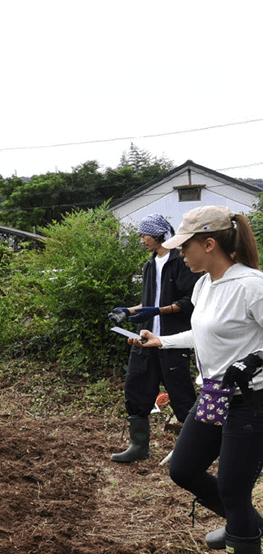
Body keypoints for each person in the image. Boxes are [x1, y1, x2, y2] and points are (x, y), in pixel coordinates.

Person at [130, 205, 263, 553]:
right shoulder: (205, 285)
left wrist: (254, 362)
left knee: (234, 487)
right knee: (183, 468)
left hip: (250, 402)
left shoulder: (252, 286)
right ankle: (243, 522)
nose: (179, 252)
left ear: (208, 245)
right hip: (214, 395)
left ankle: (242, 533)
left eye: (184, 245)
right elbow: (201, 332)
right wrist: (163, 341)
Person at [109, 213, 198, 463]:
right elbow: (150, 303)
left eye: (144, 235)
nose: (141, 240)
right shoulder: (150, 264)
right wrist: (128, 311)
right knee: (135, 388)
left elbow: (189, 302)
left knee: (180, 394)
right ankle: (138, 447)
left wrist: (157, 311)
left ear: (159, 235)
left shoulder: (180, 261)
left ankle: (196, 449)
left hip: (172, 340)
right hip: (145, 339)